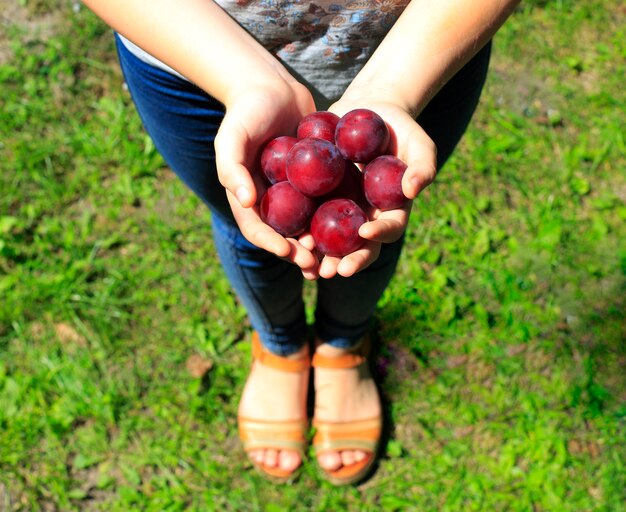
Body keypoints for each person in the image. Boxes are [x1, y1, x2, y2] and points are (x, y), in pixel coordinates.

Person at [83, 0, 519, 485]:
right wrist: (246, 80)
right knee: (250, 224)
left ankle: (342, 343)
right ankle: (281, 345)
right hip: (185, 47)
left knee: (371, 230)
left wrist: (395, 86)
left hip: (424, 44)